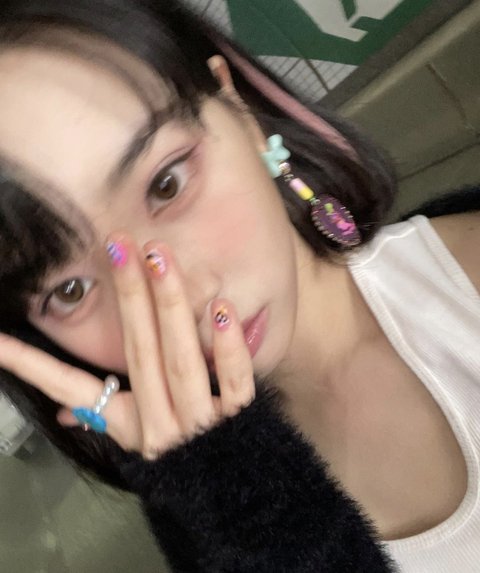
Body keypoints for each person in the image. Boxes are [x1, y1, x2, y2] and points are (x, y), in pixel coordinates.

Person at [0, 1, 478, 571]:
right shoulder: (197, 482)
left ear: (238, 109)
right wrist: (236, 499)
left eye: (167, 183)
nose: (185, 300)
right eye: (71, 291)